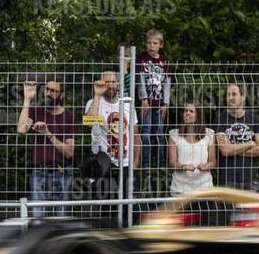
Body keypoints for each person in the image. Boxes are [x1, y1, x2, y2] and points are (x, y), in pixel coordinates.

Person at [84, 70, 141, 226]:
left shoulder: (127, 105)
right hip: (105, 167)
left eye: (113, 82)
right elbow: (88, 123)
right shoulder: (93, 103)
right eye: (106, 82)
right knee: (107, 210)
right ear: (100, 83)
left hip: (127, 165)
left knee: (132, 209)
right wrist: (97, 95)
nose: (110, 85)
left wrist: (135, 162)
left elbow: (136, 136)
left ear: (119, 84)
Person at [17, 80, 76, 217]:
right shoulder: (35, 110)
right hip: (38, 173)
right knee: (38, 219)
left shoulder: (68, 116)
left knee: (61, 220)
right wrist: (27, 99)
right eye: (47, 89)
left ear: (62, 95)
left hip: (63, 173)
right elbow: (21, 129)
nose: (48, 93)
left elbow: (69, 153)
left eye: (53, 91)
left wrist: (48, 134)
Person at [214, 84, 259, 191]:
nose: (230, 98)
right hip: (227, 181)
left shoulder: (255, 120)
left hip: (251, 180)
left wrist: (233, 148)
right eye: (228, 95)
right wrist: (249, 144)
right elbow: (225, 150)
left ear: (243, 97)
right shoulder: (220, 120)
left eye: (234, 94)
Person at [136, 29, 172, 167]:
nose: (151, 46)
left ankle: (161, 164)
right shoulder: (141, 58)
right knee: (145, 132)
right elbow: (139, 79)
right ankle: (145, 164)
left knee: (159, 133)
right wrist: (144, 99)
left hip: (159, 103)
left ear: (160, 45)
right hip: (146, 103)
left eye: (155, 43)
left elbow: (167, 83)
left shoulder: (165, 61)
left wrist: (166, 103)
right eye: (149, 43)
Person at [168, 100, 216, 195]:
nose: (187, 113)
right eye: (186, 111)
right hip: (180, 189)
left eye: (191, 111)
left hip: (204, 189)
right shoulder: (174, 135)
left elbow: (213, 161)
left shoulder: (209, 134)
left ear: (198, 115)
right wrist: (184, 166)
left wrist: (206, 166)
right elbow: (172, 162)